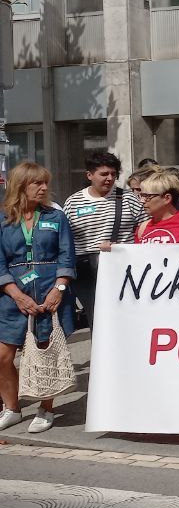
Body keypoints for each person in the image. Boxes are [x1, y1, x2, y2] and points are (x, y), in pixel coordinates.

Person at [0, 162, 75, 434]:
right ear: (21, 185)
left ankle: (46, 408)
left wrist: (60, 287)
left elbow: (67, 255)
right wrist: (16, 295)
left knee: (47, 351)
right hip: (13, 294)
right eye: (37, 183)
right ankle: (12, 407)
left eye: (45, 183)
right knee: (2, 356)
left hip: (49, 290)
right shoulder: (3, 220)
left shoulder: (56, 217)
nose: (44, 188)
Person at [61, 150, 147, 329]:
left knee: (123, 316)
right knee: (96, 317)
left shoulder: (128, 198)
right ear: (90, 175)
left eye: (113, 174)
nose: (109, 178)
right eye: (104, 174)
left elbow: (145, 229)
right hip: (85, 269)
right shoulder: (73, 202)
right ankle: (101, 356)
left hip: (122, 265)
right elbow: (65, 238)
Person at [122, 168, 179, 246]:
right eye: (141, 196)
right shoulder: (142, 228)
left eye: (147, 196)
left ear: (166, 198)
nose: (141, 201)